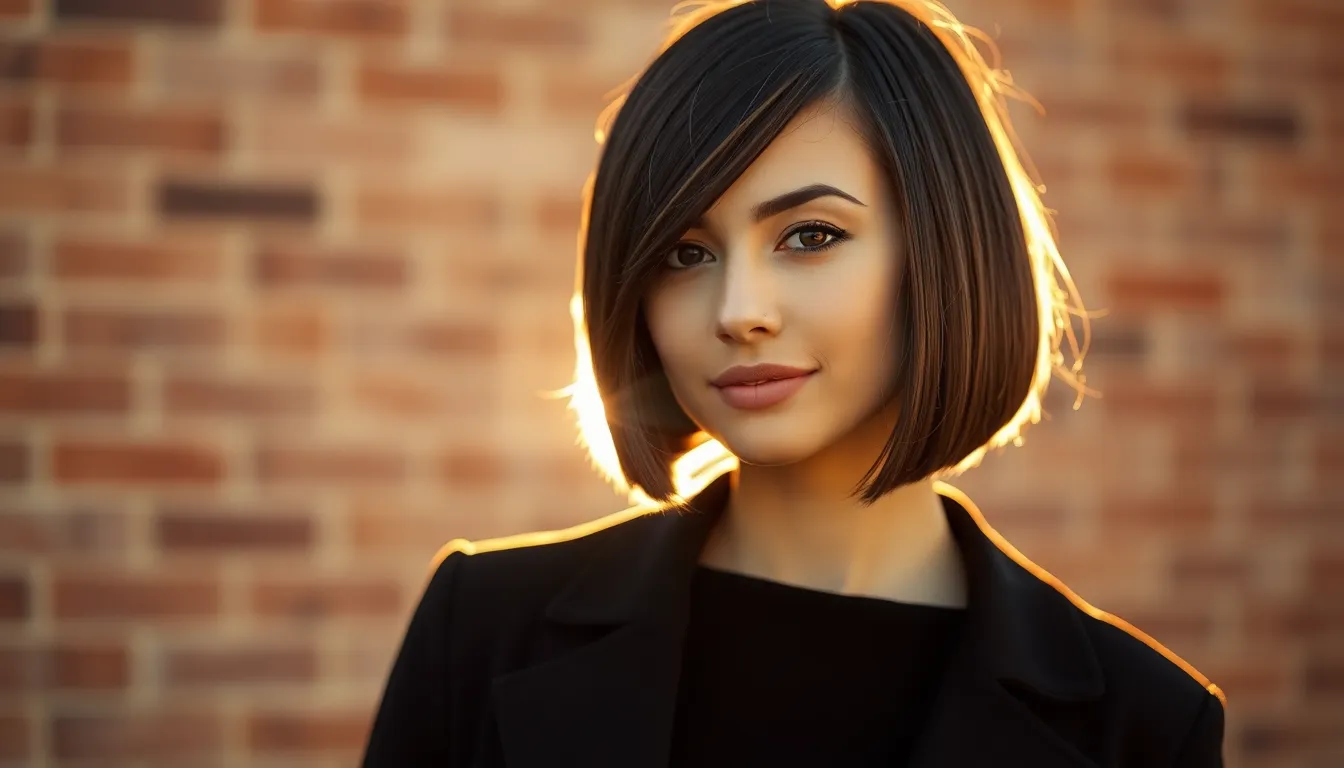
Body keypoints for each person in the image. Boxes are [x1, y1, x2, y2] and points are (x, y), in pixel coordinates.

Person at [361, 0, 1227, 766]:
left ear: (944, 251)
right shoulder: (481, 629)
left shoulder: (1141, 724)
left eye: (810, 236)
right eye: (685, 253)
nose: (739, 311)